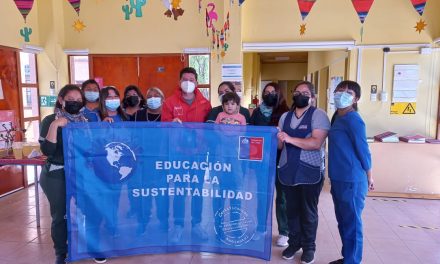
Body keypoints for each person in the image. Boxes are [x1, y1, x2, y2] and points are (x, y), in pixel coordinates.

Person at [277, 81, 330, 263]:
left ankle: (309, 247)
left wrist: (290, 138)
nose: (300, 95)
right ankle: (294, 243)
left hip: (310, 171)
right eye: (297, 92)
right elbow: (280, 145)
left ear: (312, 97)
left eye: (305, 92)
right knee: (291, 210)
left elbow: (316, 143)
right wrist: (276, 137)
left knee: (308, 211)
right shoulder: (285, 117)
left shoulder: (319, 115)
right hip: (288, 169)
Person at [161, 67, 212, 242]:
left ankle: (197, 224)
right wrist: (171, 124)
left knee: (197, 190)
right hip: (178, 155)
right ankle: (178, 225)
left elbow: (211, 128)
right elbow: (163, 128)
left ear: (197, 82)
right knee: (180, 191)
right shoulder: (169, 102)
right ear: (179, 82)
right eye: (185, 79)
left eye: (192, 79)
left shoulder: (205, 103)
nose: (188, 82)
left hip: (198, 154)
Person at [39, 84, 87, 264]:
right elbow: (47, 150)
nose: (75, 103)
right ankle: (61, 252)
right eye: (70, 100)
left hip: (79, 173)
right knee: (60, 215)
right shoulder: (50, 119)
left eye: (78, 100)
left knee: (85, 211)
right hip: (56, 173)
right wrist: (55, 126)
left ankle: (86, 246)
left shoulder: (85, 121)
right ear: (61, 100)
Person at [328, 81, 374, 264]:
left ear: (356, 99)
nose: (342, 94)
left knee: (352, 225)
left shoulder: (354, 119)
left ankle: (353, 261)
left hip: (352, 179)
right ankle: (347, 257)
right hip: (338, 178)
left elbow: (363, 149)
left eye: (348, 92)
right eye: (340, 90)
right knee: (343, 222)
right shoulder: (337, 117)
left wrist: (370, 176)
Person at [249, 82, 290, 247]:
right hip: (261, 161)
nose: (269, 94)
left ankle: (284, 232)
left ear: (279, 93)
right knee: (262, 195)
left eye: (273, 91)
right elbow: (250, 135)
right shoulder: (257, 112)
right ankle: (261, 229)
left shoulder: (286, 113)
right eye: (266, 91)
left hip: (281, 160)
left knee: (282, 197)